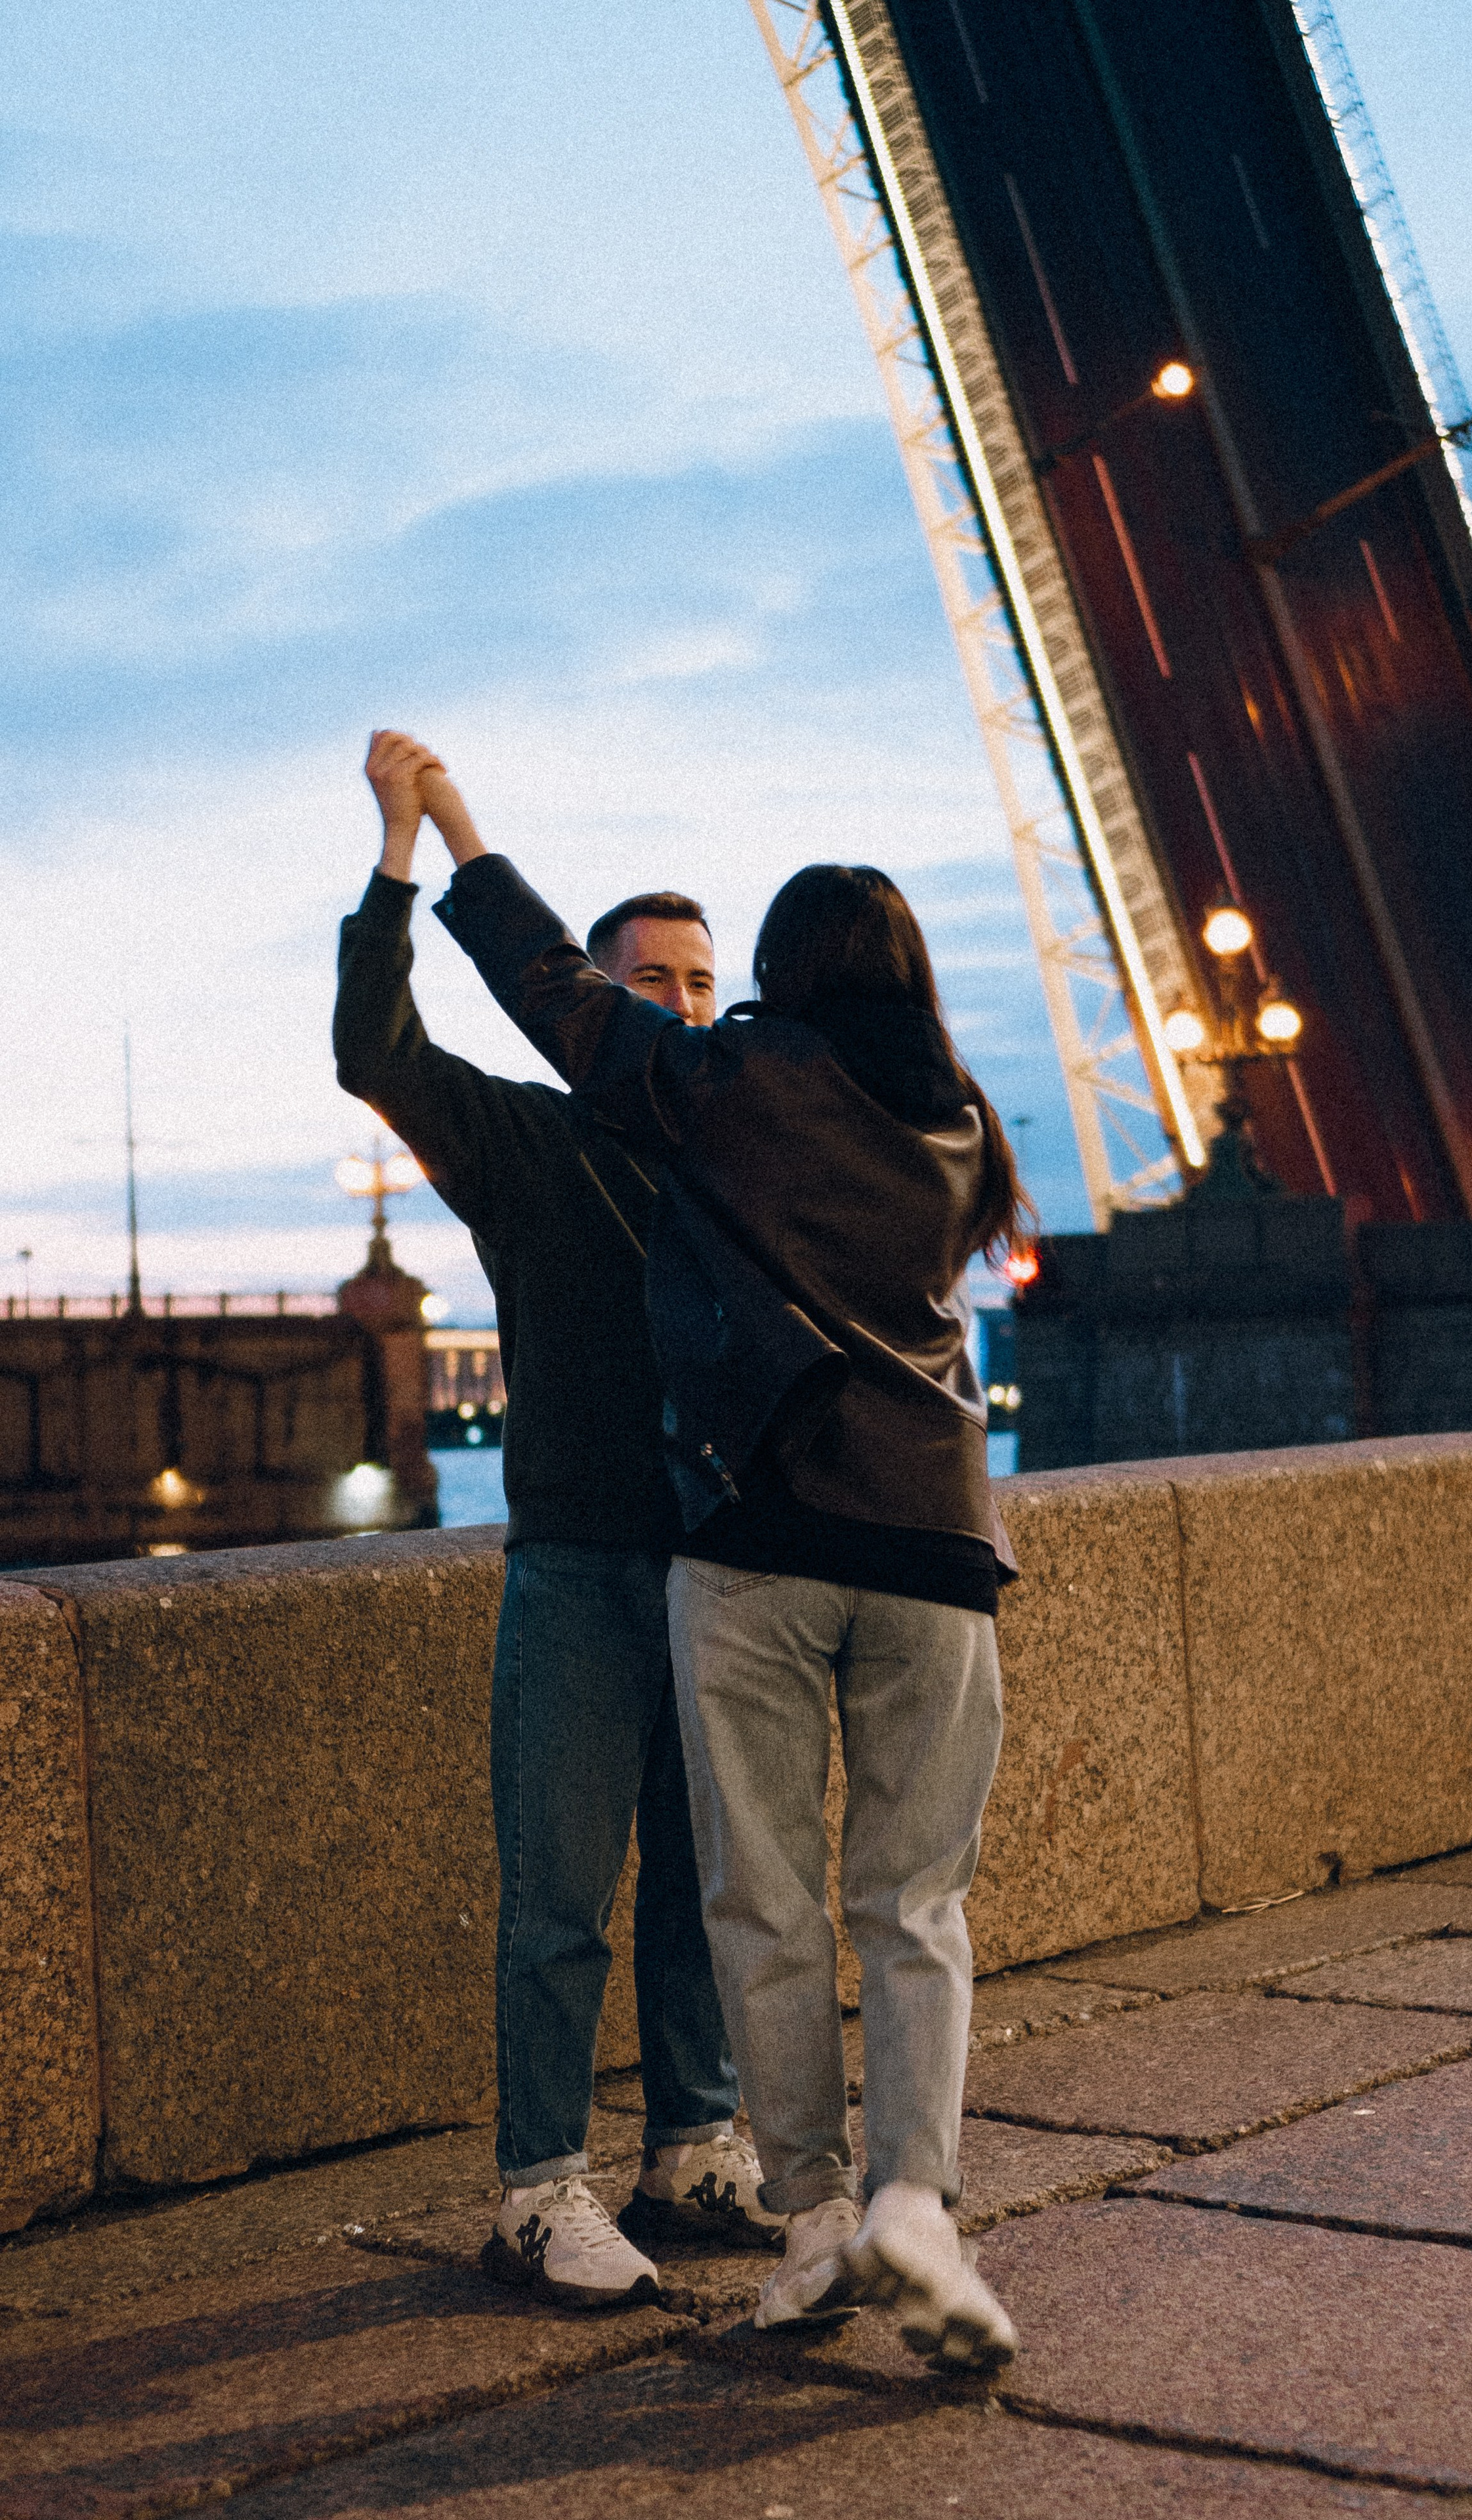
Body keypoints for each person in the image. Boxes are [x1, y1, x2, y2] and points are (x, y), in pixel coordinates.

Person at [408, 738, 1028, 2373]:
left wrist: (460, 835)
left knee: (762, 1903)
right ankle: (915, 2212)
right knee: (916, 1910)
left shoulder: (738, 1092)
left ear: (771, 981)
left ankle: (820, 2217)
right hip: (940, 1545)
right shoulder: (960, 1125)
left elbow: (555, 997)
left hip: (758, 1539)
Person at [337, 728, 780, 2311]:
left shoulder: (738, 1150)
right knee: (558, 1900)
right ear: (587, 1001)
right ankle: (538, 2190)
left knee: (702, 1886)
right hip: (584, 1566)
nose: (673, 1006)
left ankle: (695, 2147)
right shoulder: (530, 1143)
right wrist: (411, 851)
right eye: (644, 981)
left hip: (725, 1566)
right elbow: (374, 1046)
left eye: (694, 983)